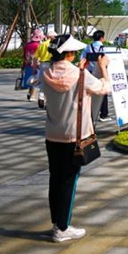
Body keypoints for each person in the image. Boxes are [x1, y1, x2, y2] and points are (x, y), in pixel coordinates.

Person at [42, 34, 111, 242]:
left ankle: (57, 222)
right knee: (69, 182)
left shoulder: (45, 72)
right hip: (74, 136)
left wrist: (80, 67)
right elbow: (103, 88)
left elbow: (62, 79)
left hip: (52, 134)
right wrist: (103, 67)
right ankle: (62, 229)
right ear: (70, 53)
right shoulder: (80, 75)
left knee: (55, 179)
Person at [81, 30, 110, 122]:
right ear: (101, 38)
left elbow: (82, 58)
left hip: (90, 72)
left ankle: (90, 113)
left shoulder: (88, 47)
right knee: (103, 91)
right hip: (101, 72)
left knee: (90, 92)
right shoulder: (103, 48)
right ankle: (103, 114)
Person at [33, 28, 58, 109]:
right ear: (51, 37)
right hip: (51, 64)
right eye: (54, 37)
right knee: (51, 83)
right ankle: (48, 102)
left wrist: (34, 67)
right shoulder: (54, 45)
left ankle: (41, 97)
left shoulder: (42, 44)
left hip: (42, 64)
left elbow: (36, 57)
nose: (55, 38)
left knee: (43, 82)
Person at [23, 28, 43, 101]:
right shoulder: (39, 45)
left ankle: (29, 93)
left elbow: (24, 55)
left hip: (27, 64)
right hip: (36, 64)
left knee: (30, 79)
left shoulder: (27, 45)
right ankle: (32, 96)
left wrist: (23, 66)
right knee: (35, 80)